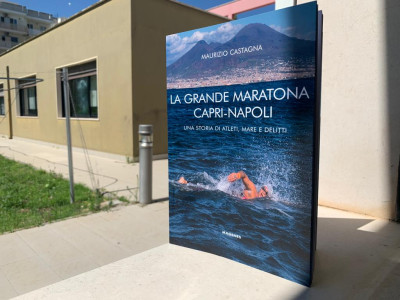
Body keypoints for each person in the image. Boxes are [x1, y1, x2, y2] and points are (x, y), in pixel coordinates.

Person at [178, 171, 268, 200]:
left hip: (230, 195)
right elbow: (244, 175)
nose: (264, 193)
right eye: (264, 190)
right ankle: (185, 183)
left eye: (266, 193)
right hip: (227, 194)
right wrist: (237, 175)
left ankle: (186, 183)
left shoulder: (257, 199)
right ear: (261, 189)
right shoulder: (253, 190)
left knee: (209, 189)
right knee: (208, 190)